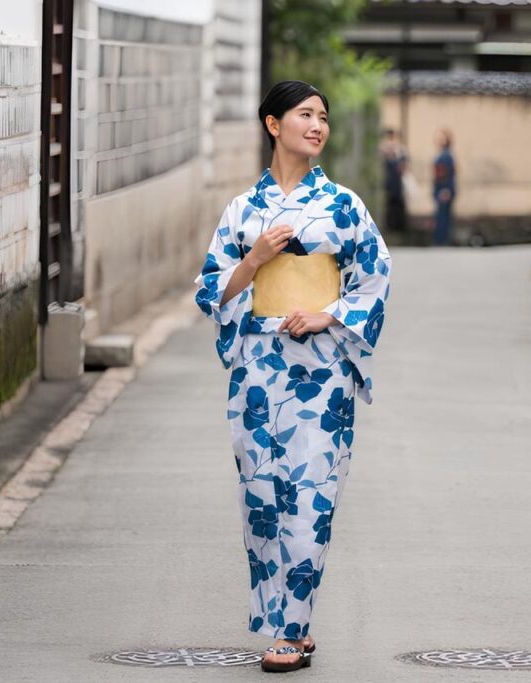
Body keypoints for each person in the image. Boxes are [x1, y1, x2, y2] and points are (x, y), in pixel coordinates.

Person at [193, 80, 391, 674]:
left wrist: (328, 314)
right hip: (258, 368)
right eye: (305, 114)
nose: (318, 125)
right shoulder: (242, 210)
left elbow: (375, 278)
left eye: (323, 117)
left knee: (312, 493)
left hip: (322, 368)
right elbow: (210, 291)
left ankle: (290, 627)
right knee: (262, 495)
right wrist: (254, 260)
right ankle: (285, 619)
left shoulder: (344, 205)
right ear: (272, 124)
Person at [380, 128, 408, 233]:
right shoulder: (384, 148)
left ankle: (399, 226)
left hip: (397, 182)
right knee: (389, 204)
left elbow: (404, 161)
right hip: (388, 181)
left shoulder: (399, 149)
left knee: (398, 203)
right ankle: (390, 225)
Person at [432, 128, 456, 246]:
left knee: (443, 216)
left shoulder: (447, 156)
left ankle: (441, 240)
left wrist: (446, 189)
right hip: (440, 188)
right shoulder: (442, 154)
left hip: (444, 189)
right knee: (441, 215)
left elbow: (447, 175)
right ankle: (441, 239)